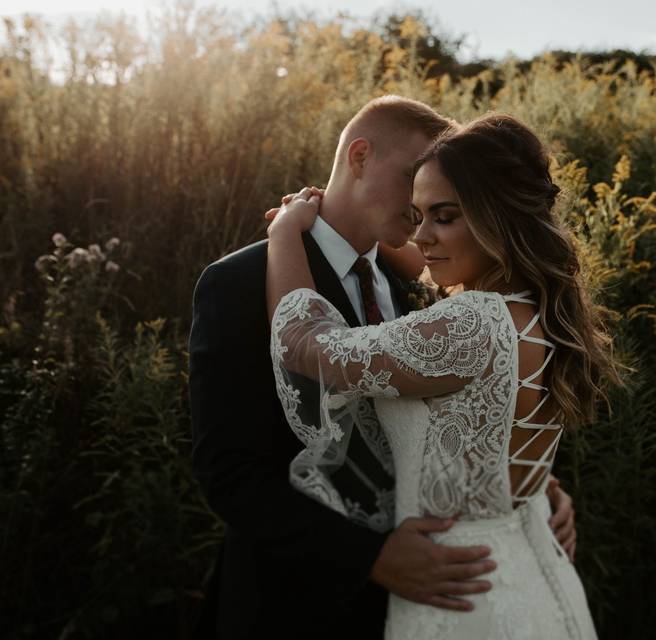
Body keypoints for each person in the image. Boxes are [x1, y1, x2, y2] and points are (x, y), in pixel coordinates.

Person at [188, 96, 578, 638]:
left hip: (436, 600)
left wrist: (526, 483)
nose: (421, 210)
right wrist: (368, 557)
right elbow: (229, 474)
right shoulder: (239, 283)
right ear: (360, 156)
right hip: (295, 608)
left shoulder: (436, 284)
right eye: (412, 180)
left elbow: (459, 410)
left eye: (441, 206)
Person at [265, 113, 624, 639]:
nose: (421, 235)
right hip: (534, 574)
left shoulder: (471, 325)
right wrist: (371, 229)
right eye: (416, 215)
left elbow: (304, 345)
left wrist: (284, 233)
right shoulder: (540, 311)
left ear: (496, 215)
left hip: (458, 598)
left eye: (444, 216)